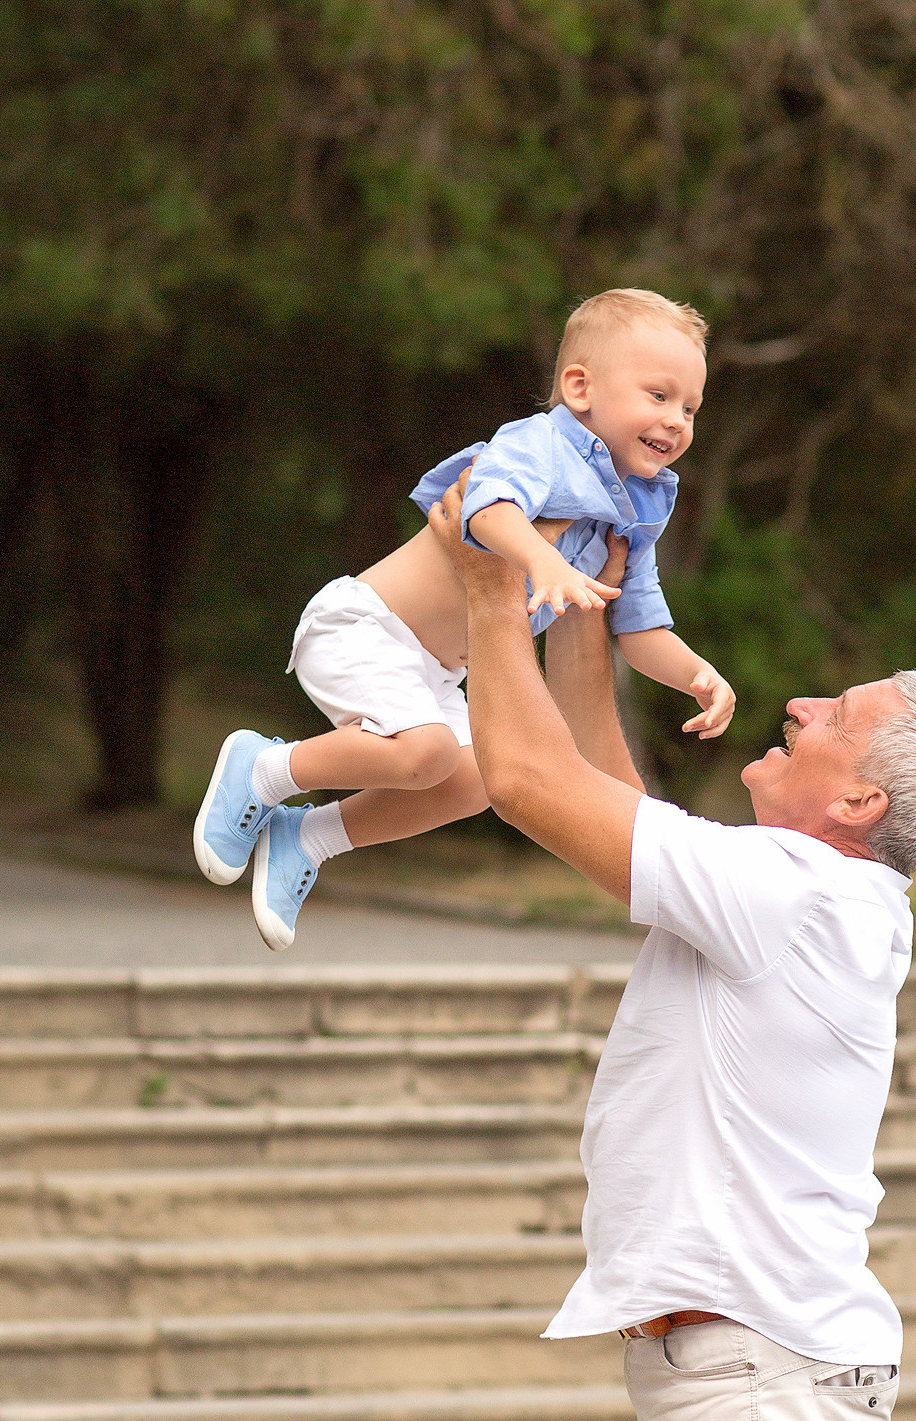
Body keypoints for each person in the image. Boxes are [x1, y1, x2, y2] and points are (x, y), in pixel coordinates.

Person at [424, 474, 916, 1421]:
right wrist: (587, 606)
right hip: (736, 1370)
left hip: (756, 1373)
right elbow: (599, 792)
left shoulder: (798, 894)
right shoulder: (798, 894)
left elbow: (529, 783)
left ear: (859, 804)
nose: (798, 703)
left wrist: (490, 585)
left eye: (836, 717)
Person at [192, 288, 735, 950]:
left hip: (436, 670)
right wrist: (545, 560)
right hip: (365, 626)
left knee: (478, 777)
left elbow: (638, 622)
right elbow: (485, 509)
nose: (676, 420)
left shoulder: (642, 505)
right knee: (423, 752)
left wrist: (695, 674)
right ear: (580, 388)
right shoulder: (544, 444)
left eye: (690, 408)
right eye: (659, 395)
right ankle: (264, 769)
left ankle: (305, 839)